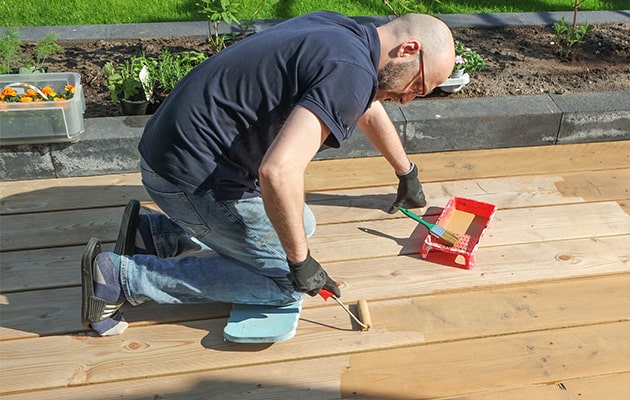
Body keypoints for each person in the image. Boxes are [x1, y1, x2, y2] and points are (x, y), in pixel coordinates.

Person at [81, 11, 456, 337]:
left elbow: (365, 106)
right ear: (408, 50)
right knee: (283, 286)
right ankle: (120, 278)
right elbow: (277, 172)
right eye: (418, 86)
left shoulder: (347, 33)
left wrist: (405, 171)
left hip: (173, 151)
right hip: (189, 177)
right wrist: (299, 264)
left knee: (301, 222)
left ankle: (155, 234)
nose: (409, 98)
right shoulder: (351, 72)